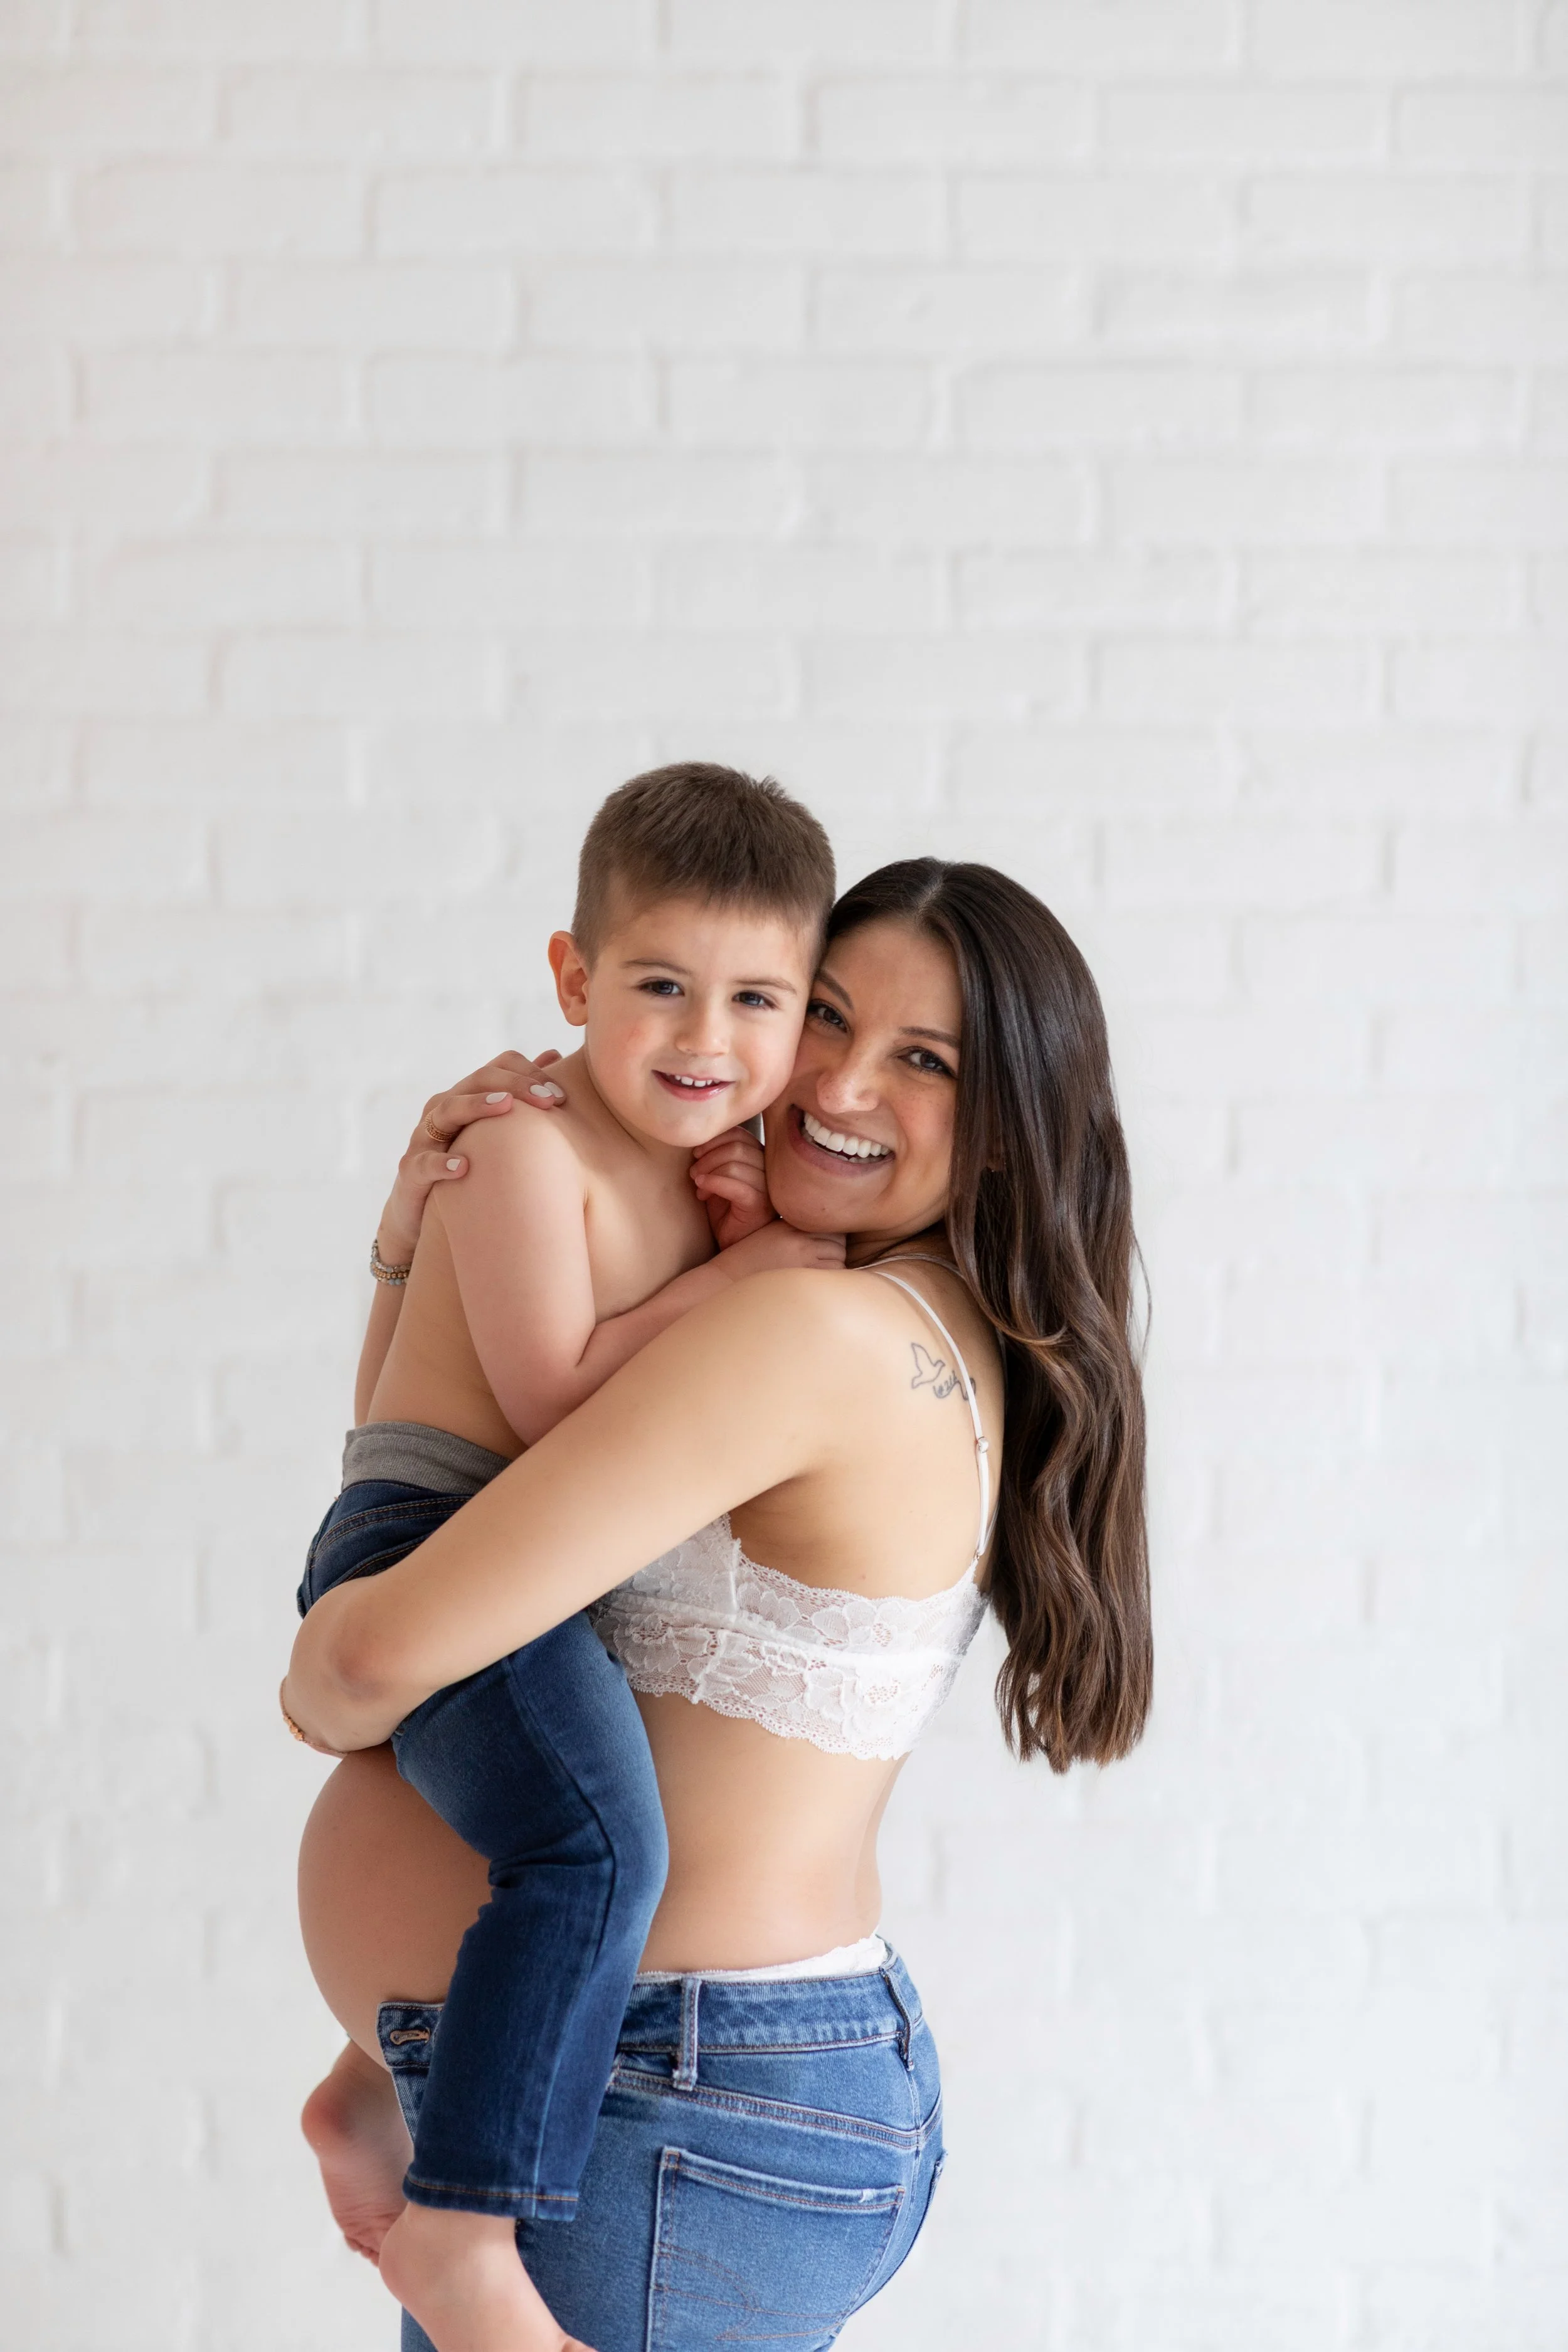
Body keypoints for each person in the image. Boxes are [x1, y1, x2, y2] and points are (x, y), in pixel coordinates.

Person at [286, 857, 1152, 2352]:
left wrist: (317, 1683)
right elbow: (456, 1444)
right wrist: (408, 1234)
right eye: (823, 1013)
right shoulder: (900, 1318)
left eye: (923, 1061)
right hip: (704, 2093)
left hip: (665, 2107)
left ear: (1009, 1129)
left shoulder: (805, 1328)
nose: (837, 1079)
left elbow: (363, 1654)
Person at [291, 765, 842, 2352]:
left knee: (548, 1829)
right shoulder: (527, 1144)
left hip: (533, 1567)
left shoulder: (693, 1177)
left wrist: (748, 1243)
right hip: (431, 1543)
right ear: (572, 977)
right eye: (660, 986)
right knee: (595, 1855)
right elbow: (551, 1401)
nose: (703, 1038)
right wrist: (765, 1281)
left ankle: (358, 2099)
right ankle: (465, 2224)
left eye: (755, 1000)